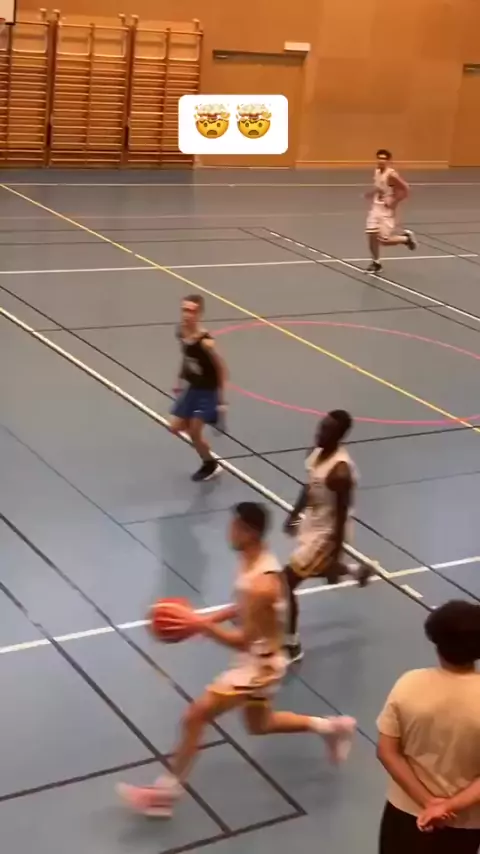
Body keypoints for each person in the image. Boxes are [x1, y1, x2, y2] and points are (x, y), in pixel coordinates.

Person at [117, 502, 357, 818]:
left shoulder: (261, 584)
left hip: (260, 666)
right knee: (260, 724)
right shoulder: (251, 560)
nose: (228, 532)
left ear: (249, 532)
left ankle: (166, 794)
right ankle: (333, 727)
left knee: (195, 716)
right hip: (262, 656)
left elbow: (244, 639)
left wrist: (199, 624)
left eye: (234, 527)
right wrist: (206, 619)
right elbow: (241, 608)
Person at [376, 599, 480, 854]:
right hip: (464, 823)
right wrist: (447, 807)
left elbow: (387, 752)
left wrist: (428, 802)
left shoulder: (409, 683)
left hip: (405, 813)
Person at [282, 411, 371, 663]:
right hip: (313, 523)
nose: (319, 433)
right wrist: (295, 517)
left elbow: (342, 518)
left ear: (340, 436)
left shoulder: (340, 473)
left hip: (328, 536)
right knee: (310, 570)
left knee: (285, 582)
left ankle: (292, 644)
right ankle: (355, 571)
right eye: (321, 427)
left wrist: (335, 555)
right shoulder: (315, 453)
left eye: (327, 430)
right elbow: (309, 486)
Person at [171, 294, 227, 482]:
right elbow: (186, 356)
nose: (187, 314)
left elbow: (221, 369)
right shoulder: (181, 331)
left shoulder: (206, 342)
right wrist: (179, 380)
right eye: (184, 310)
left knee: (194, 432)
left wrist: (221, 401)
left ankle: (210, 464)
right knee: (175, 427)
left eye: (192, 311)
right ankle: (202, 443)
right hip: (193, 387)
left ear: (199, 314)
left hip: (208, 391)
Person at [366, 148, 418, 275]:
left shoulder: (392, 175)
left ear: (388, 161)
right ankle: (376, 263)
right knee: (371, 235)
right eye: (379, 158)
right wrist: (371, 193)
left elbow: (406, 188)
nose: (381, 161)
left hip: (386, 211)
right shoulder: (377, 171)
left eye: (384, 159)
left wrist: (394, 201)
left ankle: (405, 239)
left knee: (383, 241)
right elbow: (379, 187)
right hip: (376, 208)